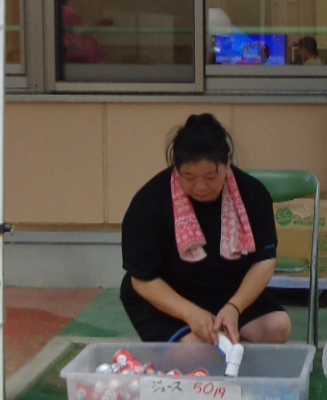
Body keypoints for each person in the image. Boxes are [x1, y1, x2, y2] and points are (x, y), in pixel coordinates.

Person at [119, 113, 293, 345]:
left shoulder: (252, 193)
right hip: (171, 296)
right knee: (200, 353)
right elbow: (142, 280)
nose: (200, 187)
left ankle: (230, 349)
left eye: (211, 176)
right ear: (176, 168)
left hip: (229, 290)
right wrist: (190, 313)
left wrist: (234, 307)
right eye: (189, 176)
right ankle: (222, 350)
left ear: (228, 162)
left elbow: (264, 261)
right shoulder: (150, 201)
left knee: (277, 327)